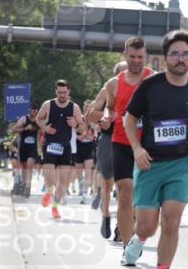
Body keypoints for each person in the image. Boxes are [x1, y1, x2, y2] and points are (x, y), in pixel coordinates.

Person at [123, 31, 188, 269]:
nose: (180, 58)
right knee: (148, 226)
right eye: (175, 54)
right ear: (165, 58)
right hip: (150, 164)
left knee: (171, 221)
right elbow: (129, 119)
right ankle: (138, 240)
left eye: (185, 53)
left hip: (179, 165)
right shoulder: (150, 86)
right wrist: (137, 149)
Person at [88, 41, 152, 257]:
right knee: (125, 193)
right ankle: (127, 248)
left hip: (148, 146)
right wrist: (107, 116)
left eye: (140, 57)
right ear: (125, 55)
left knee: (142, 198)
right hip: (120, 142)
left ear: (146, 57)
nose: (135, 61)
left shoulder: (155, 80)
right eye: (131, 57)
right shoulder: (113, 84)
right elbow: (94, 114)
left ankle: (134, 232)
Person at [86, 61, 127, 239]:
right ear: (116, 76)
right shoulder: (106, 90)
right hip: (109, 139)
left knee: (127, 186)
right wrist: (104, 116)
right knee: (108, 184)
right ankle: (106, 216)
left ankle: (122, 225)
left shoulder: (140, 89)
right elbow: (90, 115)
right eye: (123, 74)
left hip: (131, 141)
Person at [35, 80, 85, 219]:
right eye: (59, 92)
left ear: (69, 91)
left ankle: (55, 208)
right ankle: (49, 191)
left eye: (64, 92)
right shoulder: (48, 104)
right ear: (55, 91)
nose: (62, 95)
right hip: (50, 144)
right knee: (50, 176)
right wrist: (45, 128)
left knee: (63, 181)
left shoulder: (74, 107)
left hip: (66, 146)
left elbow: (82, 128)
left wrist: (75, 124)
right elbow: (38, 119)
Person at [12, 105, 40, 196]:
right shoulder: (24, 119)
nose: (33, 112)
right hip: (23, 147)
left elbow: (44, 130)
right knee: (24, 168)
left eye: (35, 111)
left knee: (29, 166)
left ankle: (28, 186)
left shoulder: (39, 121)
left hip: (33, 148)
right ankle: (24, 184)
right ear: (29, 111)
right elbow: (14, 129)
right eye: (32, 110)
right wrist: (24, 128)